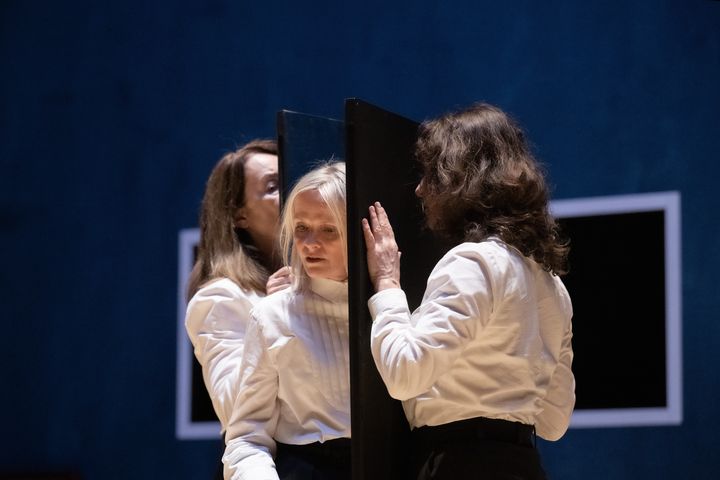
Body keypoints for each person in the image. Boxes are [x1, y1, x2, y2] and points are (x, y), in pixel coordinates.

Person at [362, 103, 575, 480]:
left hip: (459, 465)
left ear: (460, 178)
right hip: (524, 467)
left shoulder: (471, 263)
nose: (420, 188)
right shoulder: (553, 284)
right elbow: (553, 421)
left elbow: (405, 375)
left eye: (431, 174)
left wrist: (387, 286)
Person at [223, 162, 350, 480]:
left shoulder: (396, 306)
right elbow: (246, 437)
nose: (309, 243)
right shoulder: (272, 314)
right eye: (301, 228)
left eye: (329, 229)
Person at [185, 139, 292, 477]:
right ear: (239, 215)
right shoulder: (219, 297)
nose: (290, 192)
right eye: (273, 187)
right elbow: (234, 408)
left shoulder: (320, 280)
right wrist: (276, 314)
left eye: (290, 178)